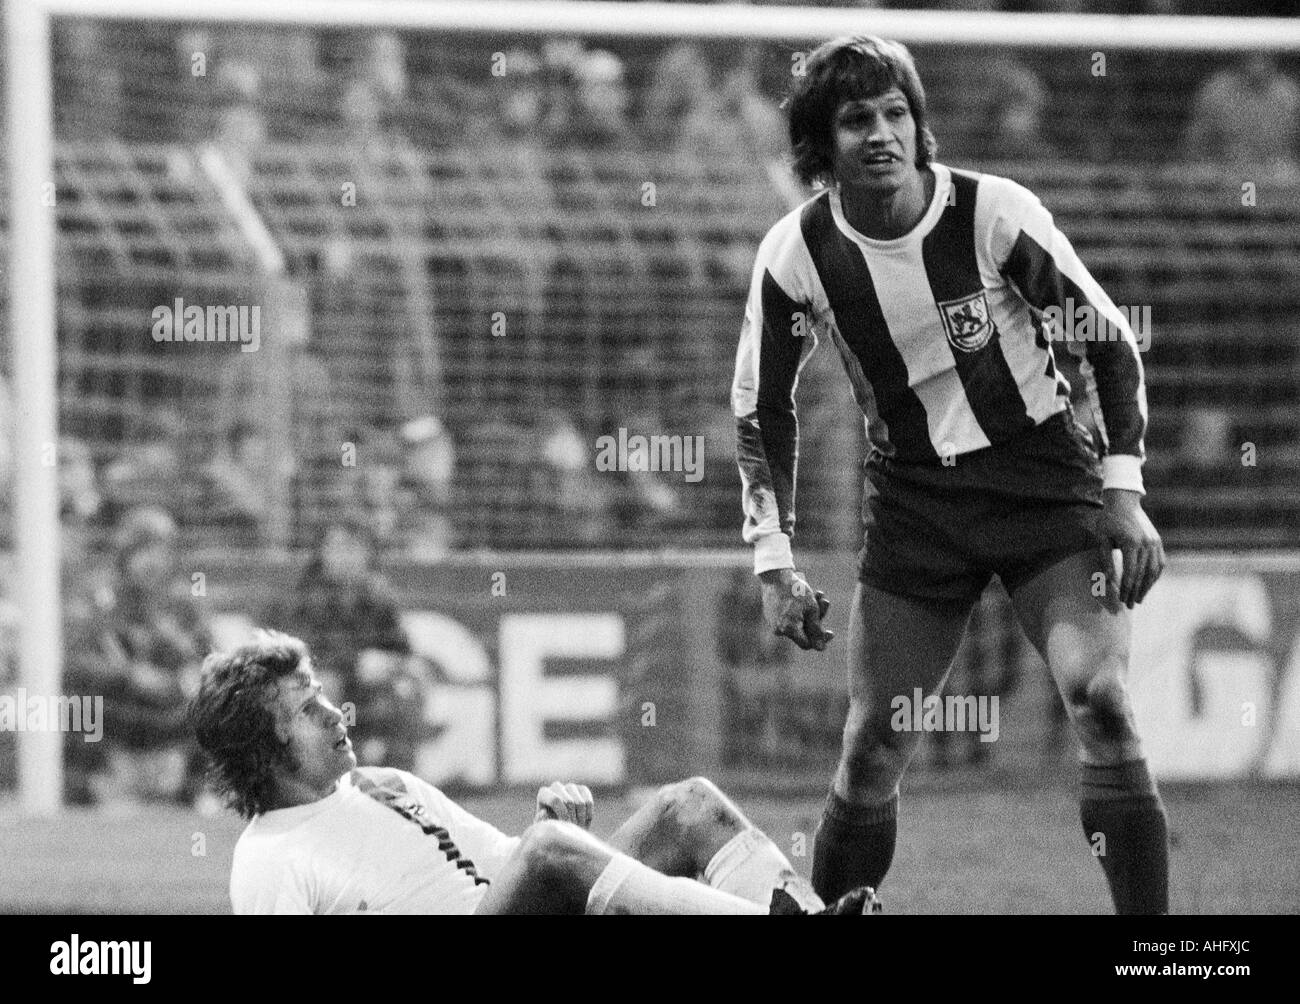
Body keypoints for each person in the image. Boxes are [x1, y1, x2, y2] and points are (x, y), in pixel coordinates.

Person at [732, 37, 1168, 914]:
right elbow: (759, 409)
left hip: (1045, 482)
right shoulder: (796, 253)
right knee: (872, 745)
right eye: (859, 120)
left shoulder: (994, 213)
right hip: (917, 501)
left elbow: (1107, 340)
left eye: (897, 113)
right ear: (824, 144)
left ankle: (1157, 956)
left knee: (1105, 701)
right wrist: (773, 560)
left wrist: (1124, 490)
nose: (884, 134)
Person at [191, 631, 880, 915]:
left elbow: (496, 867)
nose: (334, 710)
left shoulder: (384, 784)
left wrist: (557, 838)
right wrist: (550, 854)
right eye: (306, 709)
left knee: (687, 806)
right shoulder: (268, 860)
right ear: (264, 747)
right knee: (550, 854)